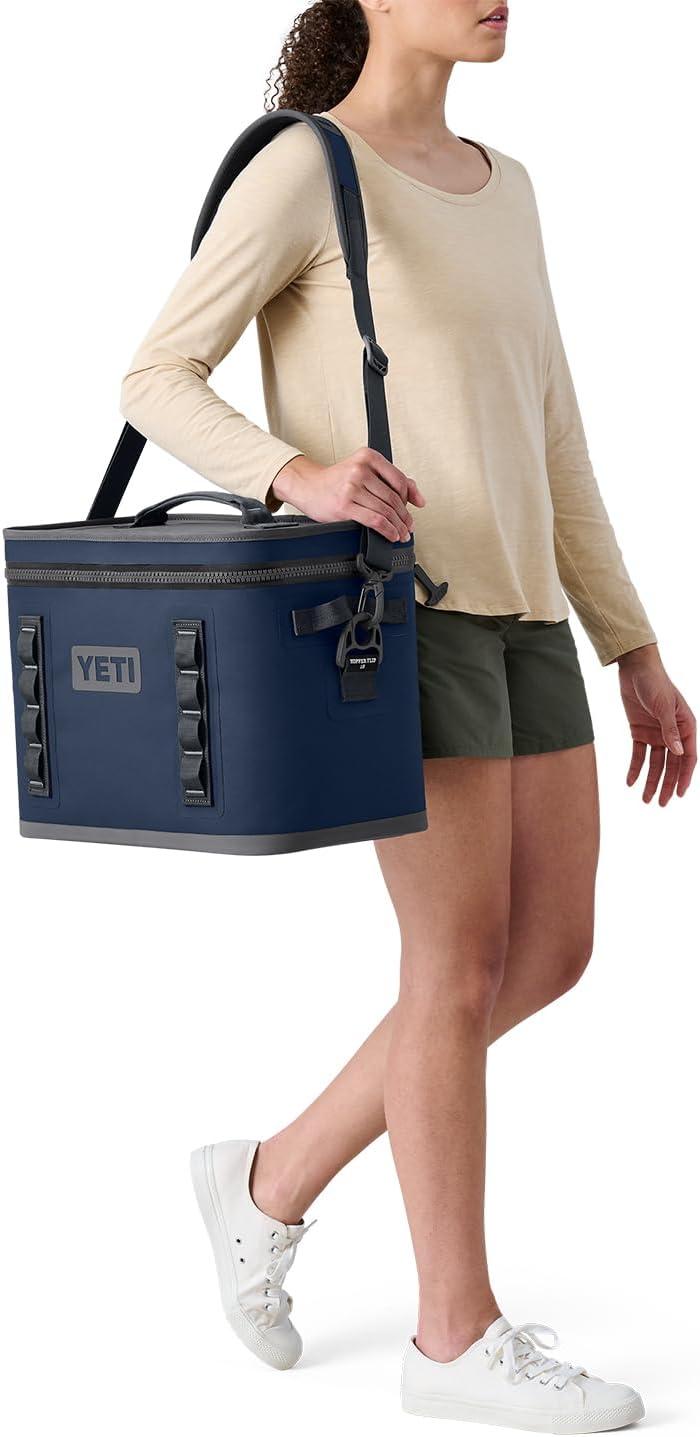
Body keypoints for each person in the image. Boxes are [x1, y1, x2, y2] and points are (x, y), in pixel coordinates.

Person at [120, 2, 696, 1429]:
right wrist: (295, 475)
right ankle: (453, 1336)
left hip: (528, 615)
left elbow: (553, 427)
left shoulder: (512, 187)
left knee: (551, 951)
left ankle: (267, 1181)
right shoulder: (307, 167)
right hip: (397, 612)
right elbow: (156, 375)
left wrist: (630, 640)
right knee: (456, 963)